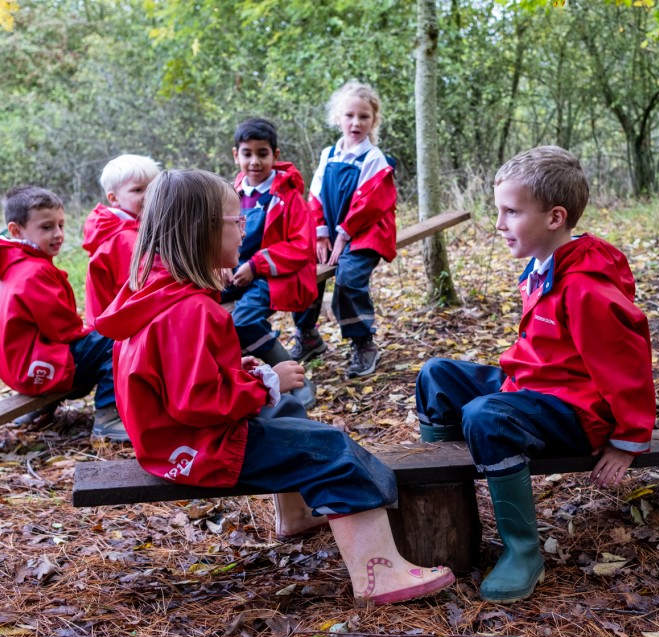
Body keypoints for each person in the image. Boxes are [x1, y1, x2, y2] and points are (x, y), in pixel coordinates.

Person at [96, 169, 455, 604]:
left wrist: (234, 369)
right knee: (331, 451)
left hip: (170, 440)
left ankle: (296, 516)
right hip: (198, 447)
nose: (243, 229)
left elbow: (178, 379)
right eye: (236, 221)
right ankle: (379, 574)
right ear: (204, 229)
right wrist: (267, 380)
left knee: (289, 418)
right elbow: (197, 403)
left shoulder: (156, 291)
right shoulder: (190, 310)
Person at [414, 146, 655, 603]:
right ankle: (444, 502)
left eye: (511, 212)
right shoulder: (543, 266)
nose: (499, 224)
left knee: (485, 416)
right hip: (533, 389)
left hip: (577, 415)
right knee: (437, 375)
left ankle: (523, 550)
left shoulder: (585, 289)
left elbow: (629, 365)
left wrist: (627, 442)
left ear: (554, 217)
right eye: (498, 211)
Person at [0, 186, 129, 442]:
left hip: (21, 367)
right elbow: (65, 330)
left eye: (61, 225)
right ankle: (108, 417)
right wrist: (98, 329)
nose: (58, 234)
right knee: (117, 340)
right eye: (46, 227)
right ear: (16, 230)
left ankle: (39, 407)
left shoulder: (16, 263)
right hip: (38, 370)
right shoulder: (34, 272)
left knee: (96, 341)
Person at [292, 81, 397, 378]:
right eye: (349, 115)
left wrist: (344, 235)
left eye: (364, 116)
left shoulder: (374, 159)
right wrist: (322, 232)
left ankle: (363, 342)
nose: (356, 122)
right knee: (303, 267)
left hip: (365, 230)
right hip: (334, 230)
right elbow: (316, 194)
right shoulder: (329, 154)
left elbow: (371, 204)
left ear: (373, 121)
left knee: (349, 278)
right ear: (337, 118)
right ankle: (307, 334)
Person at [220, 118, 317, 410]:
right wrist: (220, 263)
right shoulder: (232, 193)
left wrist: (257, 265)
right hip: (238, 273)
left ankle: (295, 377)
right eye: (247, 153)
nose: (254, 161)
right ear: (235, 155)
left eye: (262, 153)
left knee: (243, 319)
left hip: (277, 274)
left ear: (275, 156)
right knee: (206, 306)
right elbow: (221, 234)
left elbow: (302, 245)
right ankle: (227, 379)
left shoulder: (286, 194)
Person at [82, 154, 161, 326]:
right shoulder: (124, 238)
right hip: (119, 328)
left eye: (154, 188)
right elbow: (147, 289)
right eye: (138, 190)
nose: (149, 195)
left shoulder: (131, 227)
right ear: (113, 198)